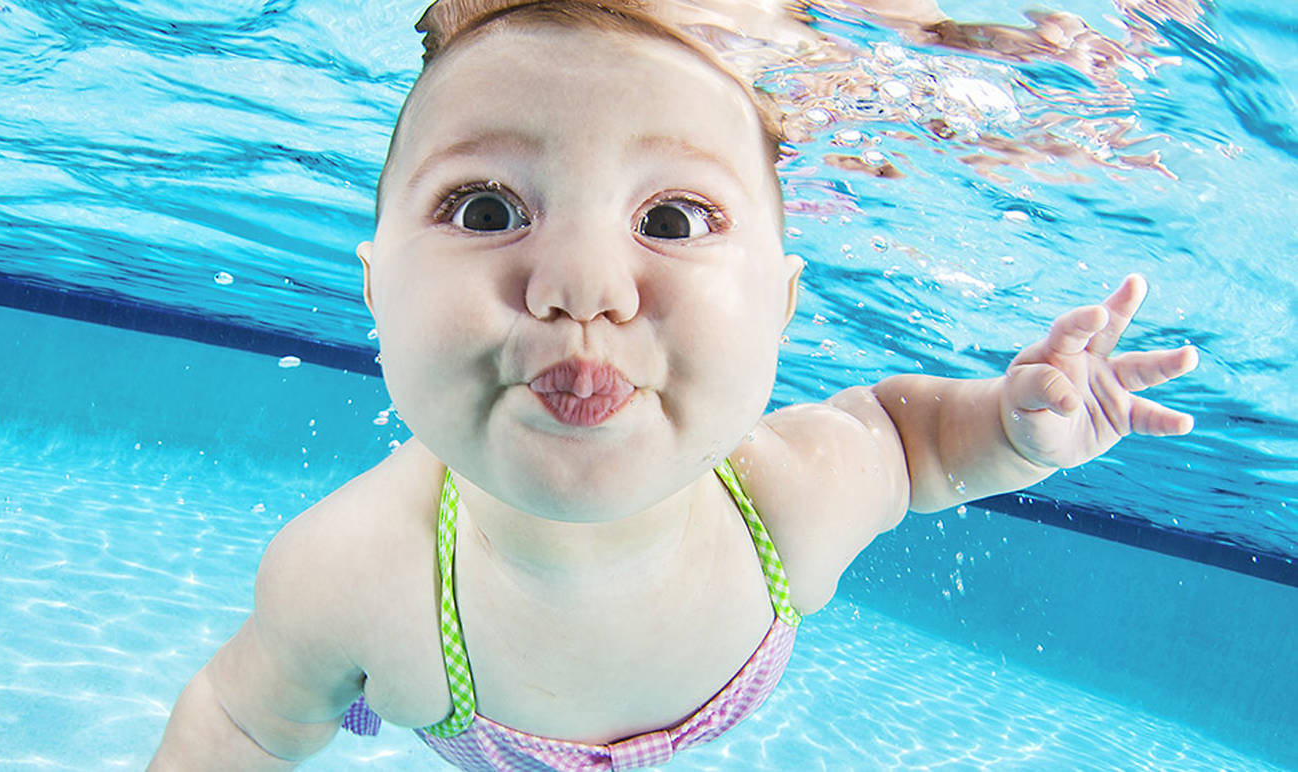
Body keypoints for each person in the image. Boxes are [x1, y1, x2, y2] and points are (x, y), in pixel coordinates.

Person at [149, 0, 1199, 769]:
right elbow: (240, 724)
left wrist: (1018, 433)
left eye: (671, 220)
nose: (580, 289)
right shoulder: (351, 578)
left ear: (782, 310)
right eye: (483, 209)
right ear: (374, 288)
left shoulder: (786, 501)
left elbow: (912, 444)